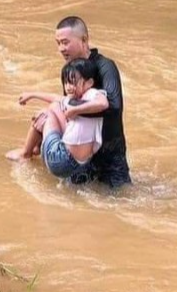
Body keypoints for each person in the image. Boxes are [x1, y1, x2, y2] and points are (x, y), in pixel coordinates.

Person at [7, 16, 132, 188]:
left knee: (122, 202)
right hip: (82, 156)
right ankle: (32, 150)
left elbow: (114, 106)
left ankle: (29, 151)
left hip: (110, 157)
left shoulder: (106, 67)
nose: (61, 49)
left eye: (65, 42)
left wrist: (74, 109)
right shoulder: (70, 71)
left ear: (84, 40)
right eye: (58, 43)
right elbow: (66, 109)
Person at [25, 59, 108, 180]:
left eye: (73, 82)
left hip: (60, 160)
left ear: (89, 83)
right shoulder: (77, 99)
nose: (69, 87)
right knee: (55, 105)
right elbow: (56, 98)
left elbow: (103, 104)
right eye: (66, 82)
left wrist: (76, 110)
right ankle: (38, 146)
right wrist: (32, 94)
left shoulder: (91, 93)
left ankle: (26, 153)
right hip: (81, 164)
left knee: (46, 113)